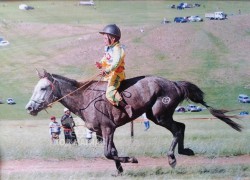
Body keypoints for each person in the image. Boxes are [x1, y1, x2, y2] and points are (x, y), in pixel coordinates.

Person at [95, 24, 133, 118]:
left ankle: (126, 107)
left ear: (113, 39)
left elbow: (115, 63)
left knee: (109, 94)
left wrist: (106, 71)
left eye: (105, 38)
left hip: (116, 74)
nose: (103, 40)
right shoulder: (109, 48)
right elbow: (106, 58)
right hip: (108, 74)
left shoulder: (118, 49)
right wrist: (101, 64)